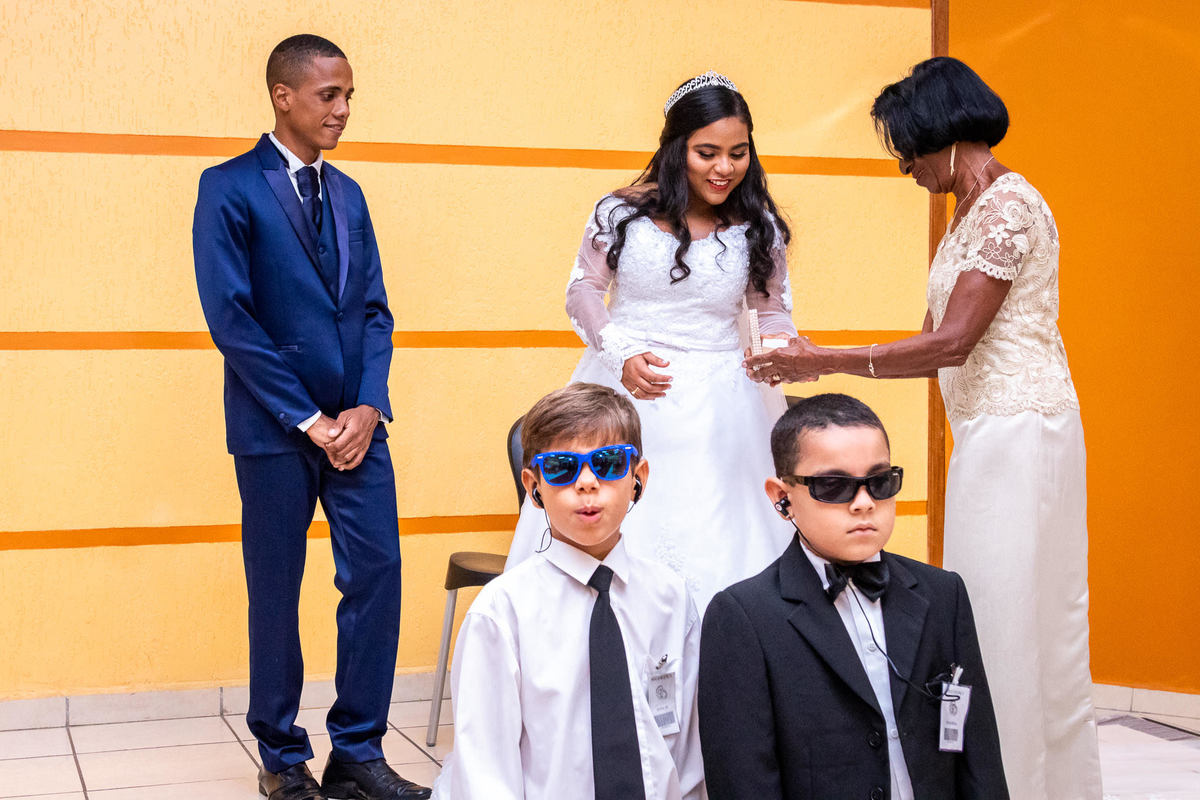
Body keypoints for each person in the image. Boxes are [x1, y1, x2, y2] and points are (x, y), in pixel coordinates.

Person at [743, 57, 1100, 799]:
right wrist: (821, 360)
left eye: (908, 147)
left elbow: (952, 343)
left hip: (1020, 433)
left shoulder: (1008, 206)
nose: (905, 165)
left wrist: (821, 359)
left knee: (1004, 622)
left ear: (942, 131)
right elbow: (929, 346)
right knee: (1004, 619)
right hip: (989, 434)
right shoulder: (968, 212)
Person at [192, 35, 429, 800]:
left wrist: (365, 406)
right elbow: (232, 320)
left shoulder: (351, 194)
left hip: (359, 429)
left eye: (349, 95)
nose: (343, 109)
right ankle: (282, 757)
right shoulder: (227, 187)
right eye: (330, 95)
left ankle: (357, 751)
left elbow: (374, 310)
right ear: (283, 96)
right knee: (276, 591)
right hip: (273, 431)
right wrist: (307, 418)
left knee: (378, 574)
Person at [506, 71, 797, 610]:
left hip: (723, 403)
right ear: (675, 148)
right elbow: (583, 291)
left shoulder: (758, 225)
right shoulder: (621, 213)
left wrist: (781, 347)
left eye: (738, 153)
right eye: (707, 153)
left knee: (724, 536)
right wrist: (620, 354)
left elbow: (771, 309)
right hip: (626, 388)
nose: (724, 168)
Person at [699, 393, 1008, 800]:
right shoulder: (744, 617)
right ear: (781, 497)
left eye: (880, 482)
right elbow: (744, 782)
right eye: (833, 486)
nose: (864, 504)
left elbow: (979, 758)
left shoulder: (942, 593)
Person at [434, 383, 705, 800]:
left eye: (608, 463)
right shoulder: (502, 614)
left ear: (638, 478)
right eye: (562, 468)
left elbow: (686, 751)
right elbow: (486, 770)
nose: (587, 483)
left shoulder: (670, 598)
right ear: (534, 486)